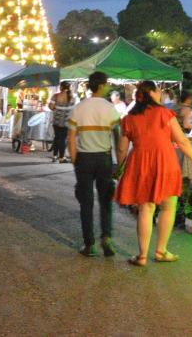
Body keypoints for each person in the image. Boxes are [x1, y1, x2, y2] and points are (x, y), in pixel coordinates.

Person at [115, 81, 192, 266]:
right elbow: (182, 141)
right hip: (165, 161)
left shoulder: (128, 118)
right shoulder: (164, 113)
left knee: (145, 208)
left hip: (140, 163)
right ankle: (160, 251)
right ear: (151, 93)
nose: (160, 94)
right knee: (168, 206)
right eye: (158, 91)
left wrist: (120, 167)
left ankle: (141, 256)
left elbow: (122, 148)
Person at [67, 71, 121, 257]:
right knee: (106, 200)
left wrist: (75, 161)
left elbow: (71, 138)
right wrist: (119, 163)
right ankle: (106, 238)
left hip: (84, 159)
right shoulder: (110, 108)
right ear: (101, 85)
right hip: (104, 159)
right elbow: (118, 137)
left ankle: (89, 244)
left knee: (86, 202)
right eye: (106, 84)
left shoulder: (79, 108)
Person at [49, 82, 74, 164]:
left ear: (61, 87)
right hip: (66, 122)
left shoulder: (55, 96)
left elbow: (51, 106)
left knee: (57, 137)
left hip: (56, 120)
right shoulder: (72, 97)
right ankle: (61, 158)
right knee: (62, 139)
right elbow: (73, 110)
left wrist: (56, 109)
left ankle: (54, 156)